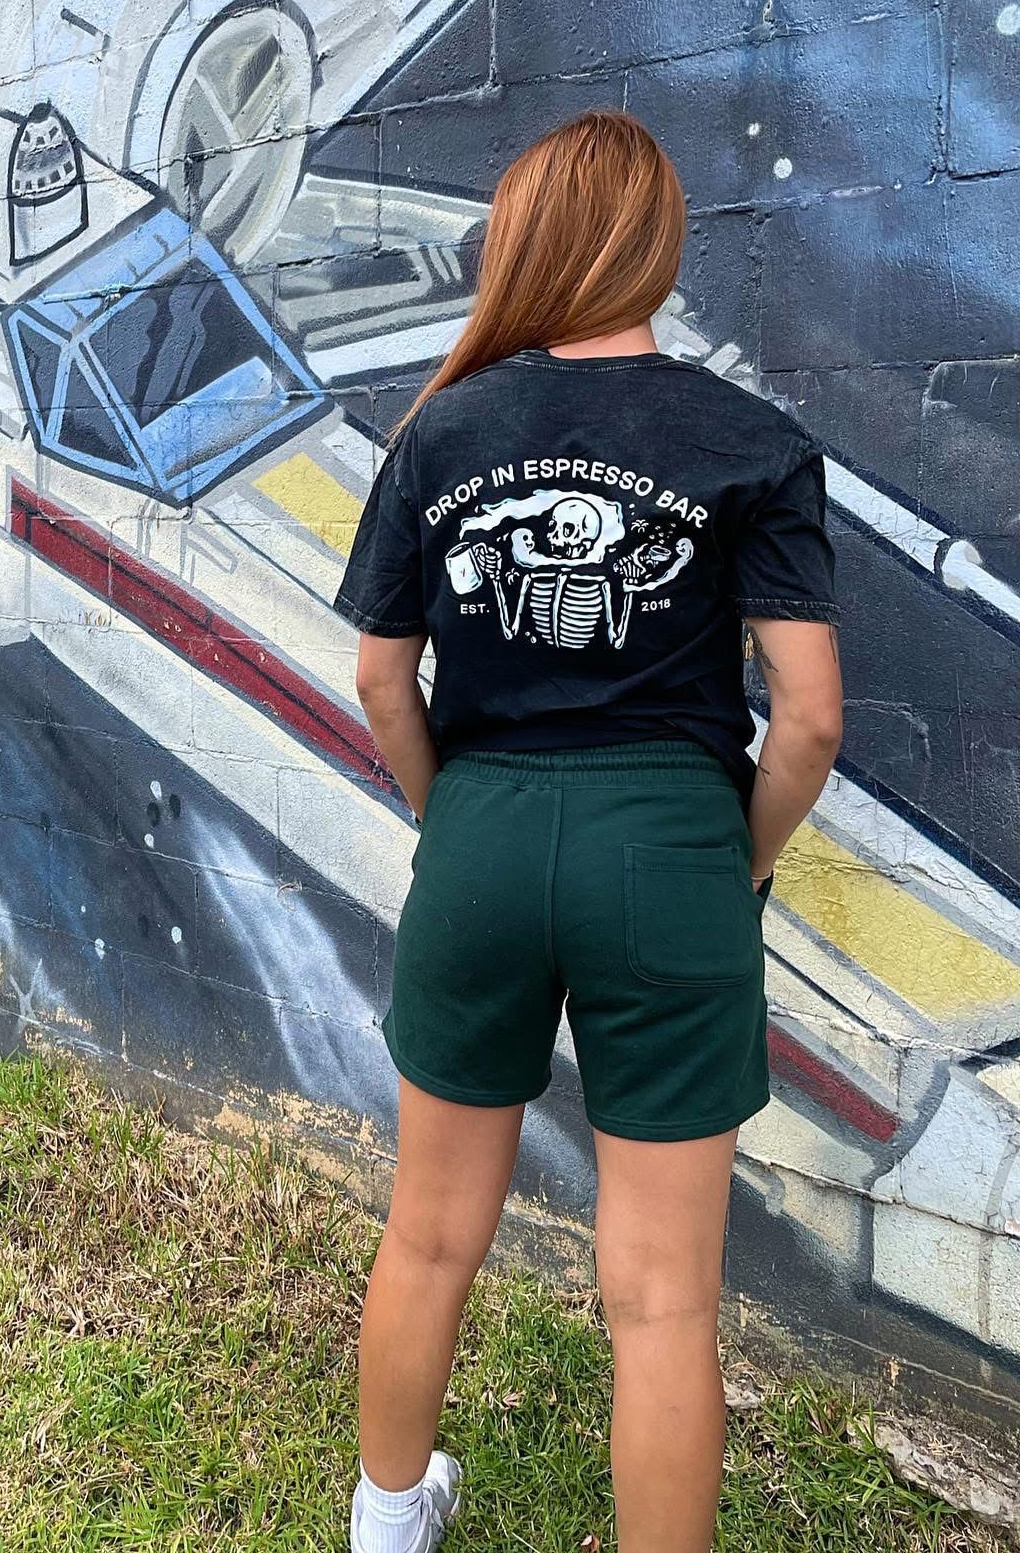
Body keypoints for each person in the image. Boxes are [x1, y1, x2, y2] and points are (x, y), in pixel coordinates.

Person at [332, 111, 843, 1553]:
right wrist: (734, 859)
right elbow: (806, 717)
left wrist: (461, 819)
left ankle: (387, 1523)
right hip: (672, 847)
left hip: (483, 832)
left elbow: (381, 677)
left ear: (526, 244)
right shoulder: (752, 442)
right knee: (663, 1294)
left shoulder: (443, 426)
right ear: (659, 248)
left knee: (430, 1233)